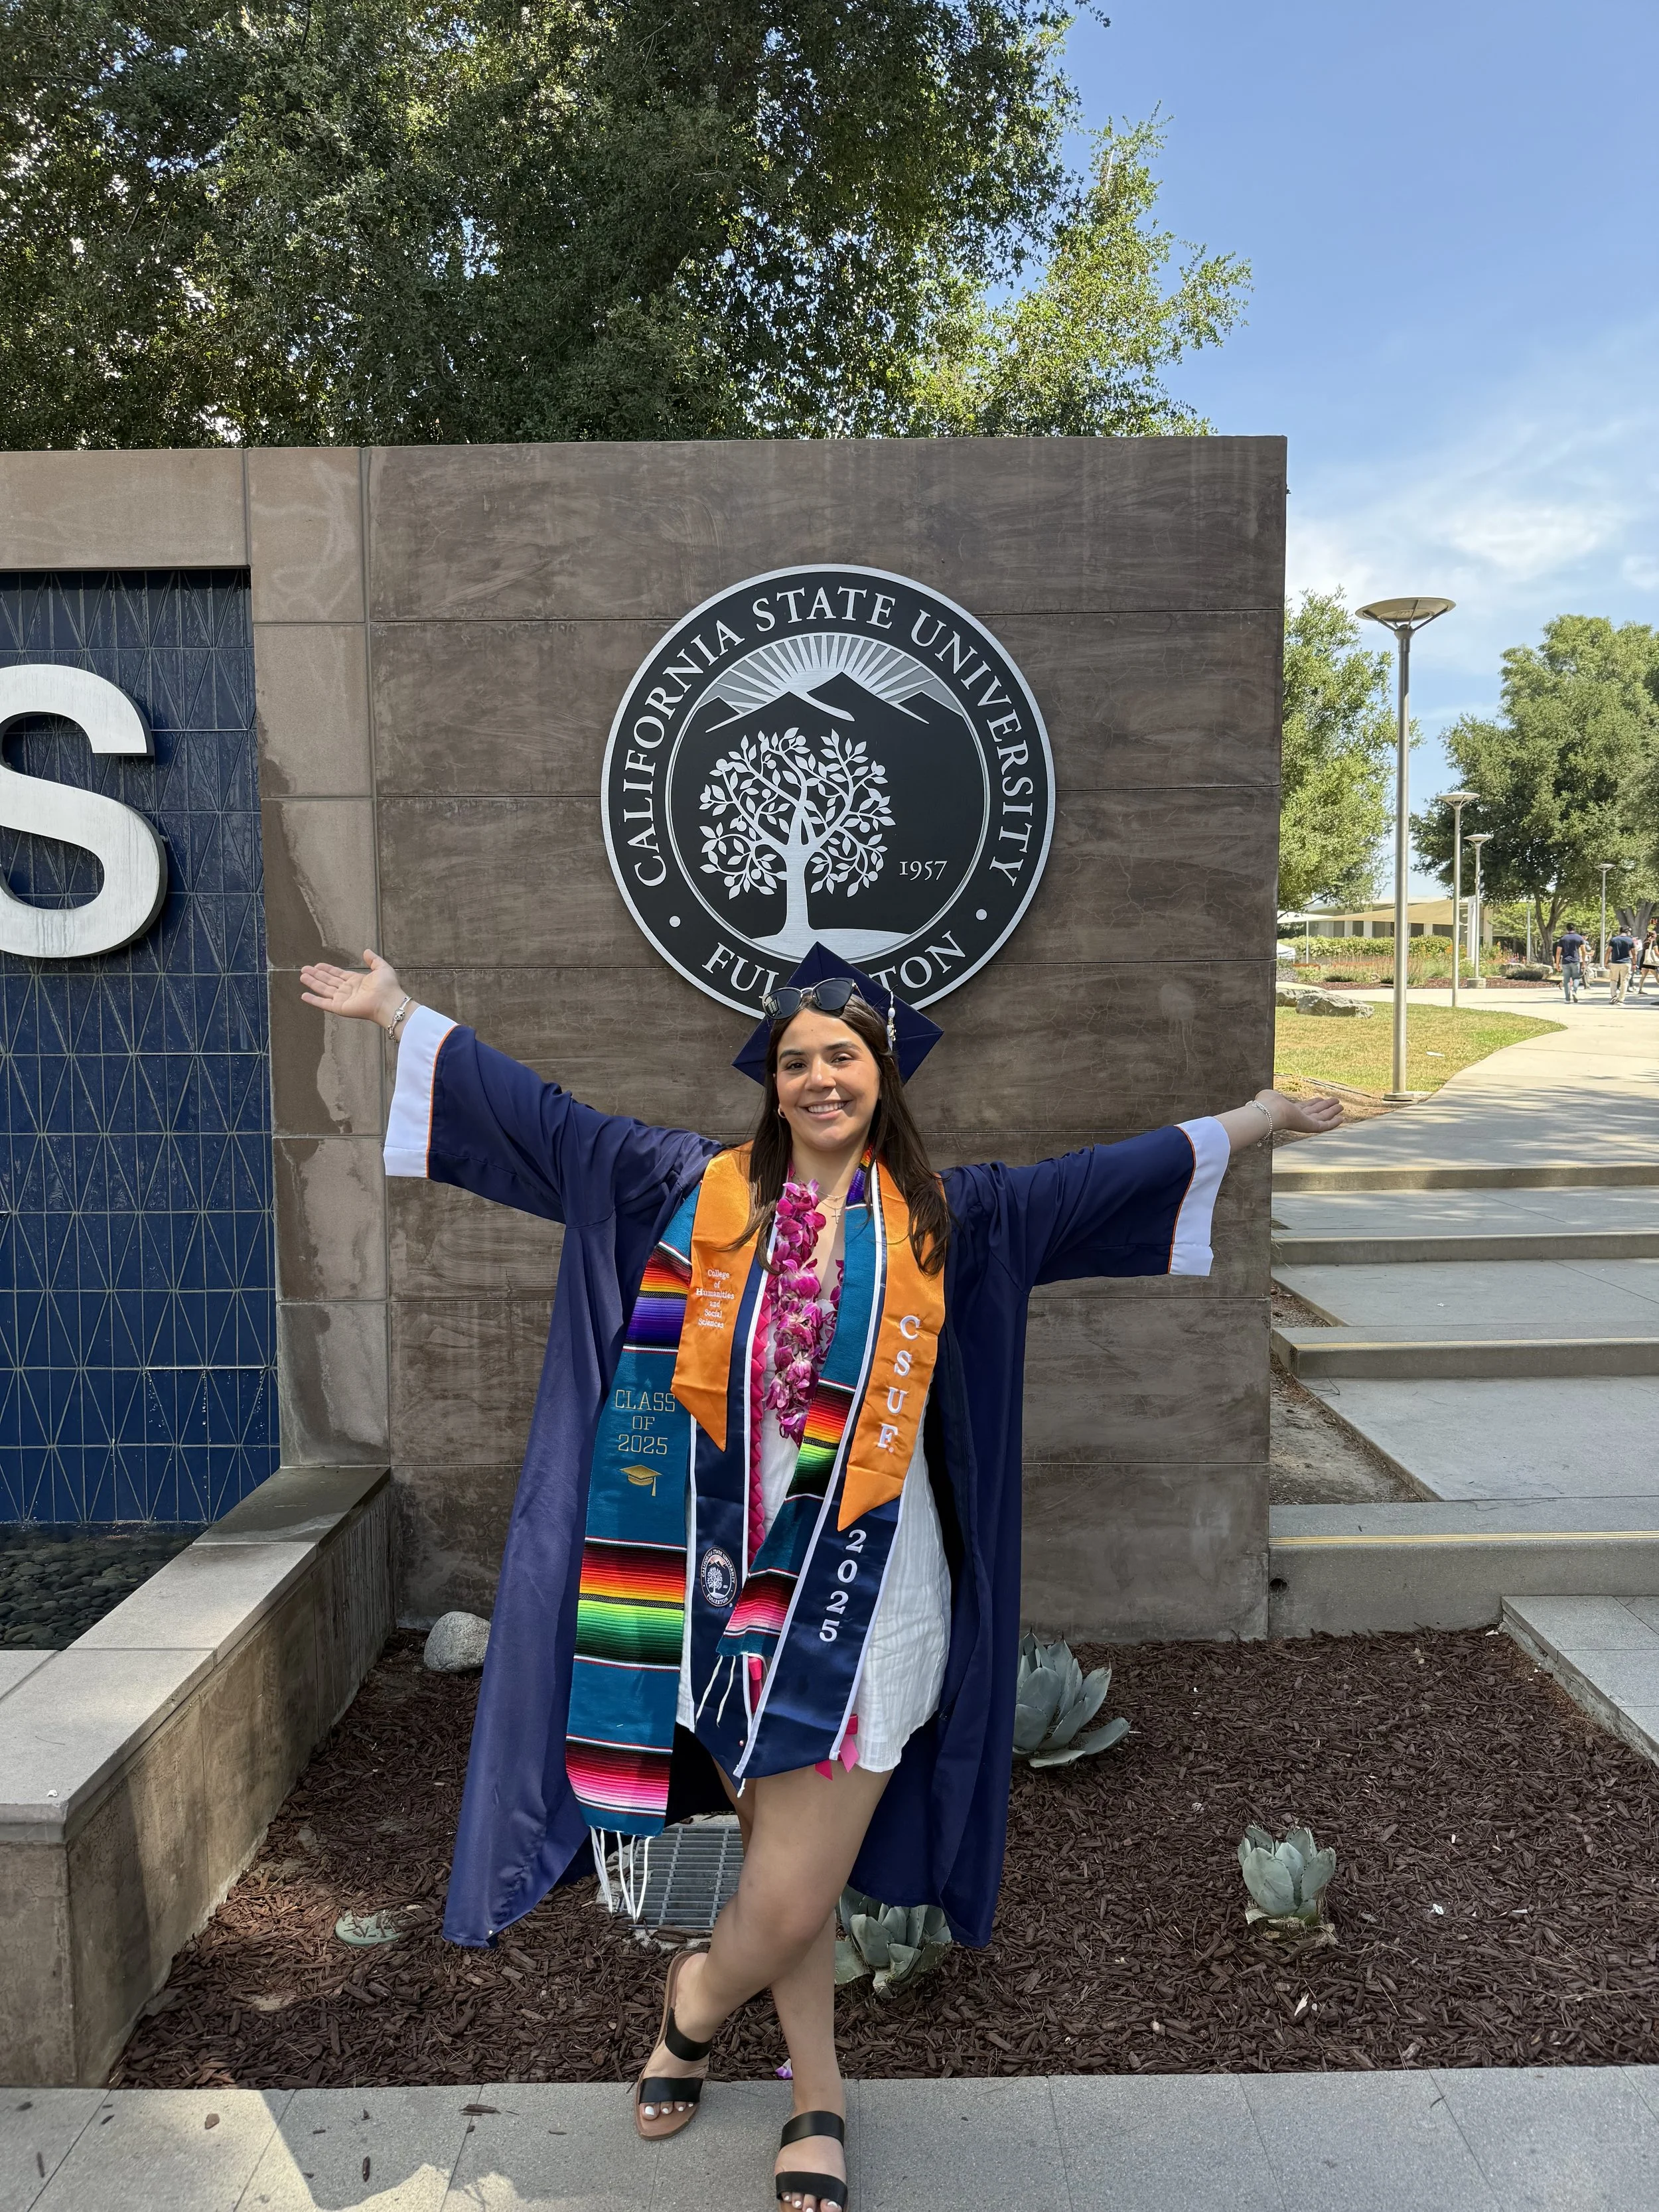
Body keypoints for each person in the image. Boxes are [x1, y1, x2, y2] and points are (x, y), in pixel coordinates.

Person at [298, 943, 1340, 2212]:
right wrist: (399, 1010)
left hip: (872, 1598)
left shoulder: (955, 1218)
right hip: (718, 1590)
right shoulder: (691, 1187)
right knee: (787, 1868)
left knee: (792, 1885)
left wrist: (1264, 1116)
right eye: (795, 1059)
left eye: (841, 1054)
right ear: (772, 1082)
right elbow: (544, 1118)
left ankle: (692, 2001)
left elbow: (1112, 1174)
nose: (817, 1076)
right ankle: (817, 2091)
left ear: (880, 1072)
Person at [1554, 922, 1589, 1003]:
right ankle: (1574, 991)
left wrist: (1557, 964)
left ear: (1567, 929)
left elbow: (1558, 952)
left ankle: (1567, 999)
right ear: (1574, 928)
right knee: (1576, 978)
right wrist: (1583, 962)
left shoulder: (1563, 939)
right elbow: (1584, 951)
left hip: (1566, 961)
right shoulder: (1579, 938)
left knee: (1566, 980)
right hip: (1576, 960)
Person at [1607, 923, 1636, 1005]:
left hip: (1615, 962)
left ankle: (1613, 996)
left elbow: (1608, 951)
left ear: (1620, 931)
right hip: (1626, 963)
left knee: (1613, 980)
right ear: (1627, 932)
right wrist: (1634, 963)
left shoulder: (1614, 940)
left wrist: (1606, 962)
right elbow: (1634, 953)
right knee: (1624, 981)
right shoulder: (1630, 940)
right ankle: (1621, 999)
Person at [1638, 925, 1659, 997]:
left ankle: (1640, 989)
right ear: (1654, 935)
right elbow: (1656, 953)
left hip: (1644, 960)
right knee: (1656, 975)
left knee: (1643, 976)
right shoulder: (1654, 943)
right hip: (1651, 962)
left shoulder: (1645, 941)